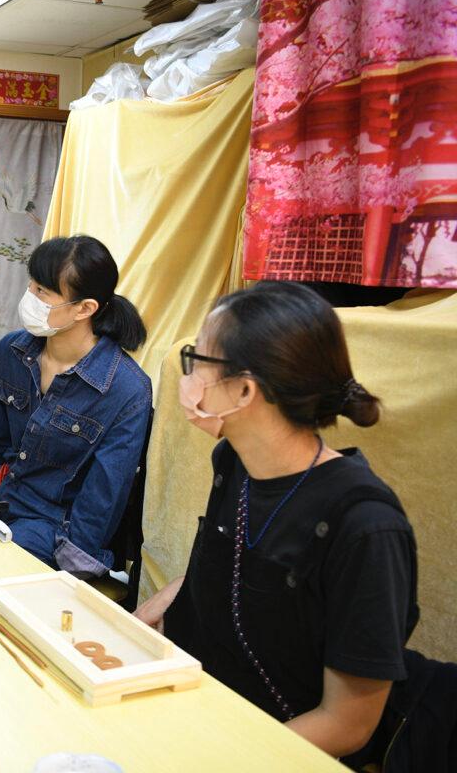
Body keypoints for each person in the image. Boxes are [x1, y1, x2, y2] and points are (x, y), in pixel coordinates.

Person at [135, 281, 418, 762]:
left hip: (272, 750)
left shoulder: (365, 526)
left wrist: (221, 759)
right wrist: (163, 603)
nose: (188, 376)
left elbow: (347, 723)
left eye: (198, 360)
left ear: (245, 390)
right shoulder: (235, 461)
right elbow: (237, 564)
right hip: (198, 704)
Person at [0, 235, 151, 577]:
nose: (29, 298)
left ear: (85, 308)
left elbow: (103, 497)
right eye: (31, 285)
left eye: (43, 292)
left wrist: (70, 575)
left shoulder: (127, 389)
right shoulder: (11, 351)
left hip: (57, 532)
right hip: (3, 509)